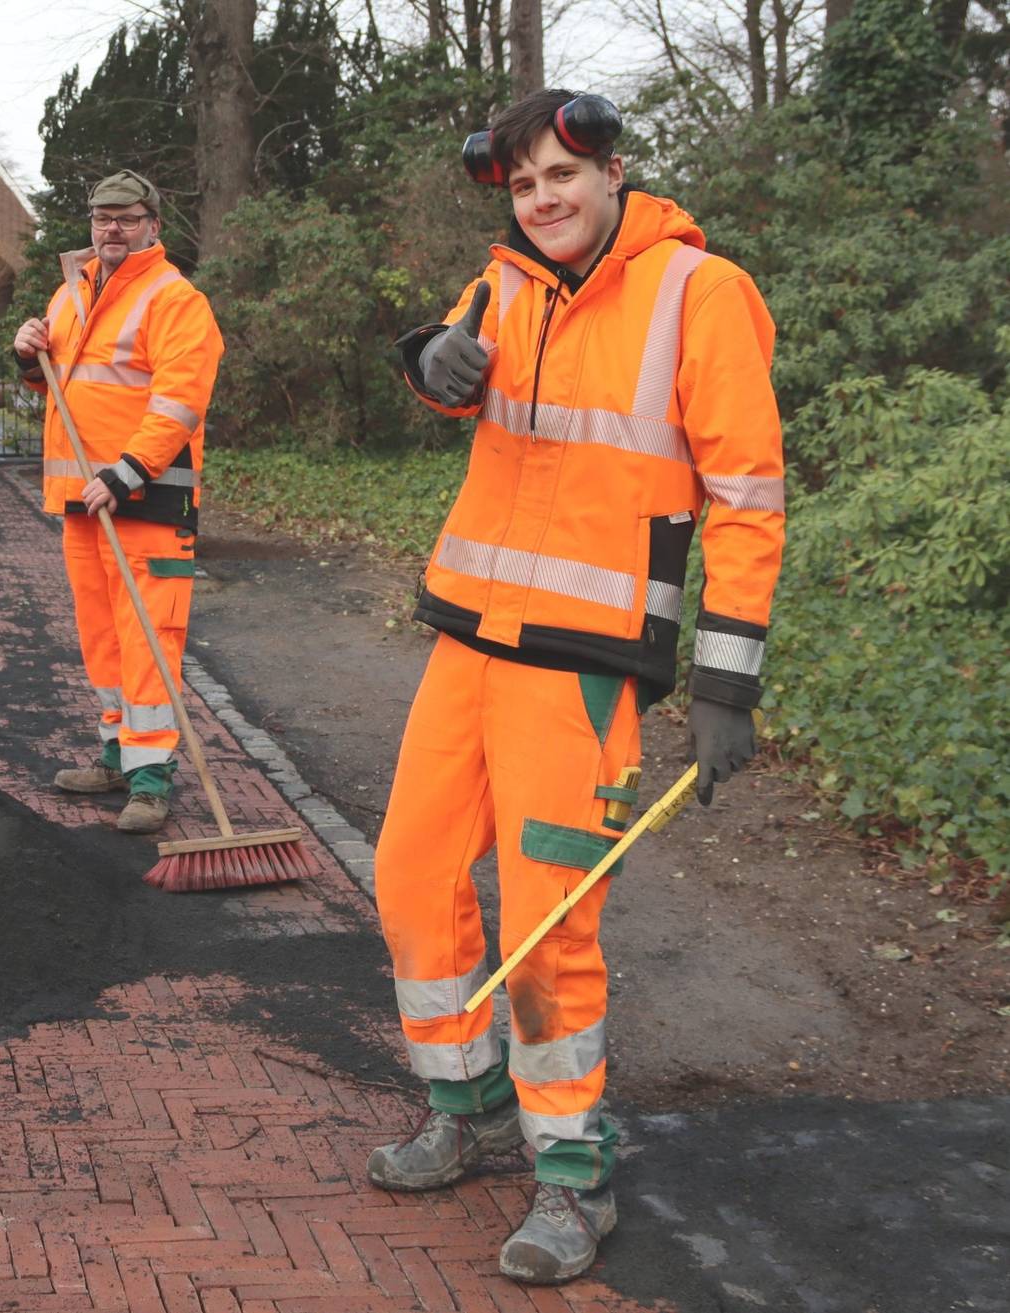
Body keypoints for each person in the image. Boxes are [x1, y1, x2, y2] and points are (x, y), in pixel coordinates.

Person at [370, 90, 785, 1284]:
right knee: (413, 877)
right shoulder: (503, 279)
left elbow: (749, 500)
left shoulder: (701, 292)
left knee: (550, 923)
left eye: (562, 175)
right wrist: (430, 361)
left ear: (613, 174)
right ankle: (468, 1102)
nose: (544, 197)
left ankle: (573, 1176)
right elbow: (448, 378)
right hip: (471, 635)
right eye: (524, 184)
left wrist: (726, 681)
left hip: (586, 664)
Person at [11, 170, 224, 835]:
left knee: (149, 637)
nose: (112, 228)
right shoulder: (68, 295)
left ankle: (152, 777)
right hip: (84, 500)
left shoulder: (176, 299)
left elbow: (180, 401)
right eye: (103, 218)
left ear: (152, 225)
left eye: (127, 219)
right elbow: (58, 392)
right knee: (101, 636)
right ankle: (116, 754)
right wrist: (27, 357)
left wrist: (129, 472)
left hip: (149, 500)